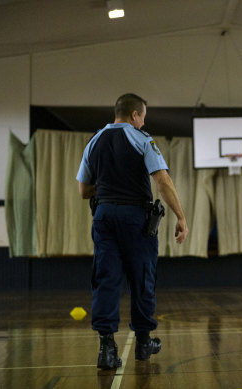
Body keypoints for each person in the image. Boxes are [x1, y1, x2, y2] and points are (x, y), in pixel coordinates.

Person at [76, 93, 188, 369]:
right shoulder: (142, 139)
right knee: (142, 278)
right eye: (143, 117)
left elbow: (83, 190)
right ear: (135, 115)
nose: (143, 121)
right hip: (135, 218)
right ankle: (143, 342)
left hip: (103, 216)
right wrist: (181, 217)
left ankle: (106, 348)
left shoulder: (94, 141)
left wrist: (107, 186)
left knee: (106, 279)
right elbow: (162, 180)